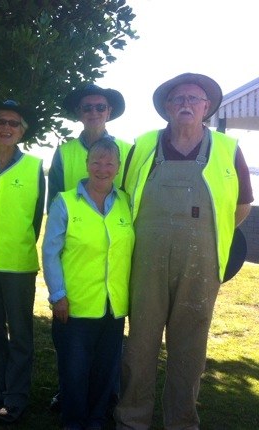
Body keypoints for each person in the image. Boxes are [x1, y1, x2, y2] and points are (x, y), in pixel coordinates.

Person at [114, 73, 253, 430]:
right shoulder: (143, 146)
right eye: (178, 99)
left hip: (200, 265)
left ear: (207, 107)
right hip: (145, 263)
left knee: (189, 350)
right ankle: (132, 419)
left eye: (194, 99)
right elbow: (126, 198)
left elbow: (241, 206)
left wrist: (209, 236)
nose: (186, 104)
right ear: (167, 108)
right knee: (140, 346)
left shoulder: (227, 149)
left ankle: (181, 421)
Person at [43, 138, 134, 430]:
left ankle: (96, 420)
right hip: (75, 305)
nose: (102, 168)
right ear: (86, 164)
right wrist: (58, 295)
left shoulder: (126, 203)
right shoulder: (65, 202)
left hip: (113, 306)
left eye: (109, 163)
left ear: (118, 167)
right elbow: (50, 252)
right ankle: (73, 421)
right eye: (96, 161)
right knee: (74, 371)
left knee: (105, 371)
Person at [0, 99, 45, 423]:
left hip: (18, 264)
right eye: (0, 121)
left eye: (13, 123)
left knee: (21, 334)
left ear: (22, 131)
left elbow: (36, 219)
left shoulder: (33, 167)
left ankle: (16, 397)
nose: (6, 127)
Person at [47, 84, 131, 211]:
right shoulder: (63, 153)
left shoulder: (129, 150)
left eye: (101, 107)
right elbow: (54, 202)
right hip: (74, 229)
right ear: (79, 112)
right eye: (87, 108)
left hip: (116, 228)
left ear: (109, 112)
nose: (94, 112)